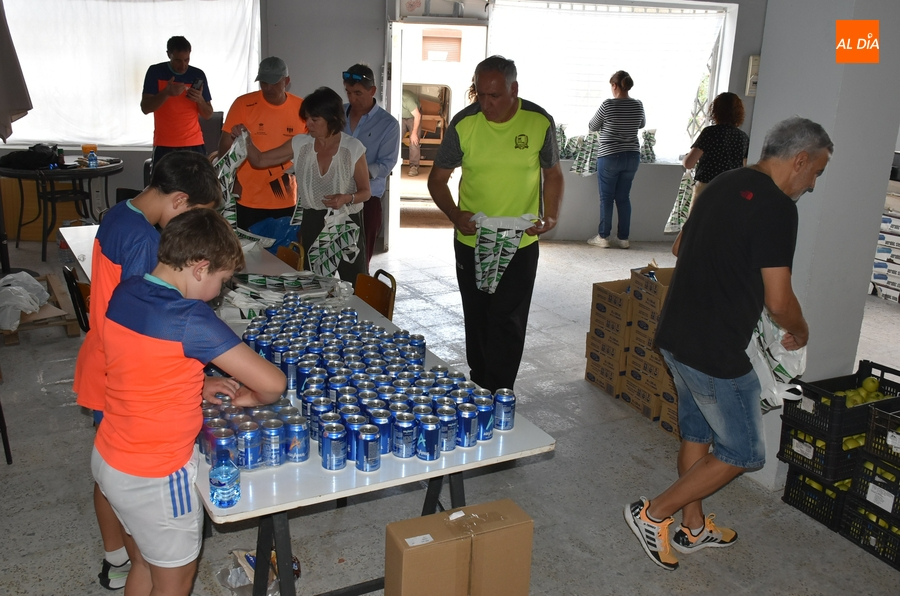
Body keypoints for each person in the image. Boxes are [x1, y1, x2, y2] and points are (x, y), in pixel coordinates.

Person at [624, 117, 833, 571]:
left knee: (698, 434)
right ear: (799, 159)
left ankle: (692, 528)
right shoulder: (779, 207)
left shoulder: (721, 182)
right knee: (742, 452)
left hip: (676, 335)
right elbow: (779, 300)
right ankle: (653, 514)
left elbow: (681, 247)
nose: (813, 184)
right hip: (715, 351)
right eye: (816, 171)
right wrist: (801, 329)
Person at [92, 208, 286, 596]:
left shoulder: (126, 292)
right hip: (157, 476)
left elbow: (138, 364)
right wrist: (248, 396)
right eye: (223, 280)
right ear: (199, 268)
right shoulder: (190, 318)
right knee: (174, 583)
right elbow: (273, 384)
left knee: (146, 562)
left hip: (110, 458)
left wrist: (195, 383)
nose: (221, 291)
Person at [71, 151, 232, 590]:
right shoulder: (146, 243)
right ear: (179, 201)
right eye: (195, 216)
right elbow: (156, 326)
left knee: (109, 474)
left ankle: (120, 558)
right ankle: (136, 555)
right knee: (126, 472)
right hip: (121, 373)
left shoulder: (120, 214)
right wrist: (198, 380)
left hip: (103, 358)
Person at [427, 55, 564, 392]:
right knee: (478, 317)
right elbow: (437, 180)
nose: (486, 104)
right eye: (480, 95)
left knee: (508, 321)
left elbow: (553, 174)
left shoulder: (538, 121)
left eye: (495, 96)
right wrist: (455, 215)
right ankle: (479, 382)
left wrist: (551, 215)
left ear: (513, 89)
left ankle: (501, 392)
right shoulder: (464, 124)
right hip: (474, 241)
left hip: (521, 242)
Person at [242, 87, 371, 283]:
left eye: (314, 119)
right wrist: (245, 138)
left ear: (332, 119)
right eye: (307, 118)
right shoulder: (301, 144)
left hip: (346, 221)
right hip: (312, 220)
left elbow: (366, 192)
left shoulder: (352, 148)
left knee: (353, 279)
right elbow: (259, 160)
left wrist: (347, 198)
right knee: (315, 281)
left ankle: (355, 314)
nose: (308, 124)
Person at [219, 57, 307, 230]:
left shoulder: (301, 108)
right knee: (248, 252)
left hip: (286, 197)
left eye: (274, 83)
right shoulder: (243, 104)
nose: (268, 88)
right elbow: (224, 145)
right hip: (247, 196)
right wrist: (232, 179)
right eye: (264, 83)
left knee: (282, 253)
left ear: (286, 81)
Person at [342, 64, 400, 269]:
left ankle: (357, 299)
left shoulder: (388, 124)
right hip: (335, 198)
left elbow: (385, 165)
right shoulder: (337, 115)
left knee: (358, 263)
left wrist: (353, 172)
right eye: (348, 92)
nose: (352, 99)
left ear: (373, 91)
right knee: (332, 260)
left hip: (367, 202)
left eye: (358, 93)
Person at [586, 70, 645, 249]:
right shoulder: (638, 105)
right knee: (623, 197)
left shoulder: (608, 105)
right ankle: (623, 238)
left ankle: (603, 237)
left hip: (610, 155)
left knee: (607, 198)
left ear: (614, 85)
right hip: (632, 156)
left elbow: (592, 125)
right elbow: (641, 124)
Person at [141, 36, 213, 173]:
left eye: (186, 60)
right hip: (164, 144)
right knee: (163, 189)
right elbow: (145, 108)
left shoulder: (198, 74)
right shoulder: (155, 72)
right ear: (169, 55)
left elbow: (208, 114)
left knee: (198, 190)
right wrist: (166, 93)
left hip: (194, 144)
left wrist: (199, 99)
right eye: (178, 60)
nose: (183, 65)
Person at [683, 92, 750, 201]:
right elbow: (744, 166)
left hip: (707, 188)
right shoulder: (743, 137)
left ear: (716, 111)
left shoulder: (710, 133)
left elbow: (688, 163)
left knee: (701, 218)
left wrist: (687, 157)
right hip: (731, 191)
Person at [401, 88, 422, 176]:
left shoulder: (407, 100)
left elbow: (417, 115)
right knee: (394, 139)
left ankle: (414, 167)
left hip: (413, 116)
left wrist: (413, 133)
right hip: (400, 116)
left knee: (414, 141)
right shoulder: (392, 97)